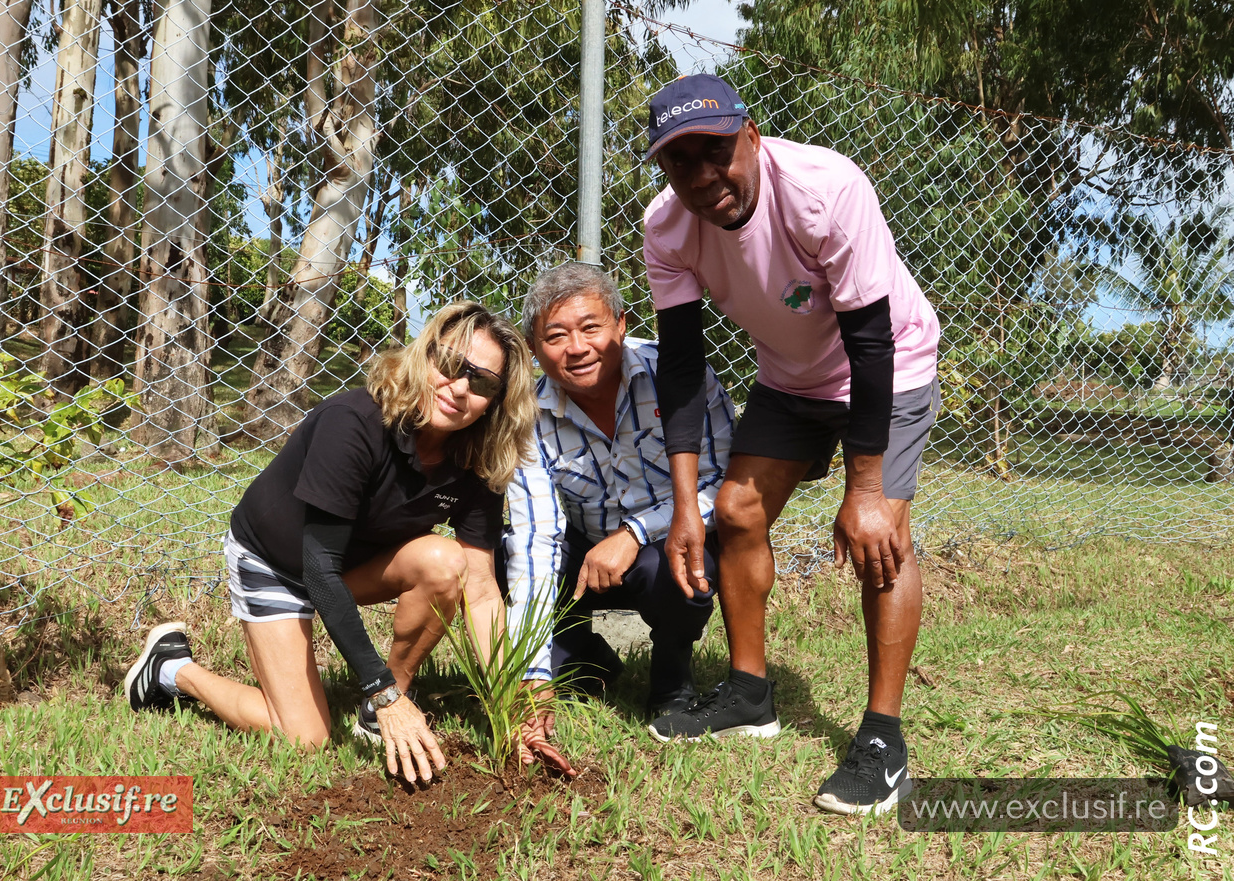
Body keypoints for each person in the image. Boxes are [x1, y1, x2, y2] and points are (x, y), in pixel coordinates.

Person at [641, 74, 940, 815]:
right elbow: (679, 369)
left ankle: (882, 738)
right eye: (682, 164)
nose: (705, 178)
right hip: (792, 379)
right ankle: (749, 692)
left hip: (889, 362)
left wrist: (865, 490)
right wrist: (687, 506)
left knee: (881, 538)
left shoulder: (824, 188)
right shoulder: (666, 228)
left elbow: (870, 344)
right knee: (734, 511)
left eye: (717, 151)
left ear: (752, 135)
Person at [124, 302, 574, 782]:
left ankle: (375, 714)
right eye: (450, 365)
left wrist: (513, 707)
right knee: (304, 739)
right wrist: (381, 689)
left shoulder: (478, 455)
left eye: (483, 383)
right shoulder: (354, 422)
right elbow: (317, 568)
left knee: (447, 563)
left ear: (498, 400)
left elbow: (482, 590)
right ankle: (173, 669)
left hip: (351, 566)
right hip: (278, 562)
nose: (460, 388)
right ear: (425, 356)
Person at [501, 263, 734, 742]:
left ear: (622, 325)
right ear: (532, 349)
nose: (577, 348)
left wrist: (635, 534)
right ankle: (584, 661)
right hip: (582, 552)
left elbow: (721, 481)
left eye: (591, 327)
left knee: (682, 564)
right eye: (556, 335)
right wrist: (533, 674)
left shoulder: (679, 377)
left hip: (663, 544)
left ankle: (672, 676)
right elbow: (535, 536)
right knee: (497, 552)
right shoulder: (524, 415)